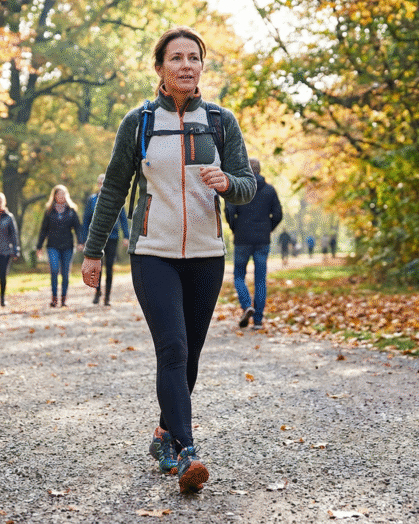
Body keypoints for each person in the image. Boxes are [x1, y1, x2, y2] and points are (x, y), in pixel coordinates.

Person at [79, 27, 256, 493]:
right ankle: (187, 452)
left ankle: (164, 434)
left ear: (202, 67)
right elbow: (114, 189)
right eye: (175, 58)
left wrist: (228, 184)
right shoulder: (139, 123)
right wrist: (94, 250)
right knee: (173, 349)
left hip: (206, 255)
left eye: (193, 58)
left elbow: (247, 182)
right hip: (152, 253)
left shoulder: (220, 121)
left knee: (189, 356)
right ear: (159, 68)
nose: (185, 66)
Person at [225, 158, 283, 330]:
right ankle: (258, 320)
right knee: (260, 280)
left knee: (239, 276)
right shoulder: (270, 190)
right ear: (260, 170)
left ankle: (246, 305)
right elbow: (278, 214)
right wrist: (268, 228)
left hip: (242, 239)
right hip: (262, 240)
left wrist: (236, 227)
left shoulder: (239, 190)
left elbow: (229, 211)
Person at [82, 174, 130, 306]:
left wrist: (126, 236)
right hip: (97, 238)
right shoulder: (92, 200)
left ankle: (107, 296)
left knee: (109, 266)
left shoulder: (116, 199)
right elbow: (86, 220)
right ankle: (97, 292)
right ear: (98, 184)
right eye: (100, 183)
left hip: (112, 237)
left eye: (105, 183)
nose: (102, 185)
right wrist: (84, 239)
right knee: (98, 266)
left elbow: (123, 219)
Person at [36, 185, 84, 307]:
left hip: (67, 245)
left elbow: (78, 228)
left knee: (65, 273)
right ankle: (54, 298)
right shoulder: (49, 211)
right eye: (59, 194)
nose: (61, 197)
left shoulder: (71, 211)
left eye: (63, 194)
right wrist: (39, 246)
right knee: (54, 270)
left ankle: (63, 298)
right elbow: (43, 230)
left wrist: (80, 242)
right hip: (52, 245)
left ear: (66, 195)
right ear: (55, 196)